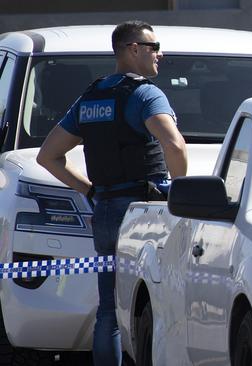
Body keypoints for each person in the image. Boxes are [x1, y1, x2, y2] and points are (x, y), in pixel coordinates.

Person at [36, 20, 187, 366]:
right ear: (133, 49)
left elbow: (48, 156)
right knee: (158, 301)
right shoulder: (145, 93)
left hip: (104, 209)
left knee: (109, 309)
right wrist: (180, 194)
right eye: (154, 47)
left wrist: (89, 191)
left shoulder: (92, 96)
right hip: (144, 212)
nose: (160, 54)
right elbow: (174, 145)